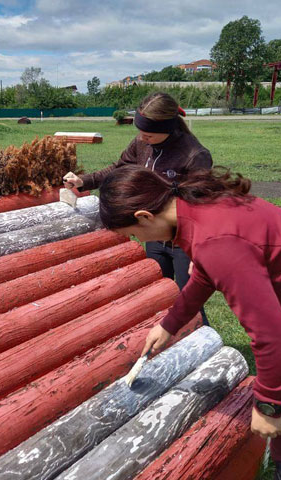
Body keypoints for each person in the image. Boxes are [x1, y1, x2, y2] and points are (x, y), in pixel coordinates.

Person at [98, 165, 281, 480]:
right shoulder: (199, 206)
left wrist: (270, 405)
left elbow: (271, 335)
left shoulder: (215, 239)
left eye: (134, 235)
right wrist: (170, 323)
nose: (140, 240)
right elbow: (206, 273)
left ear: (145, 216)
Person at [64, 92, 211, 324]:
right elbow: (118, 168)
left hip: (185, 243)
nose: (142, 138)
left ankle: (206, 346)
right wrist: (85, 181)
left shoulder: (195, 155)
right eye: (140, 132)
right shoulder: (141, 143)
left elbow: (201, 207)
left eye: (149, 134)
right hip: (152, 234)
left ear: (168, 127)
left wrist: (197, 250)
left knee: (188, 301)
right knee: (158, 295)